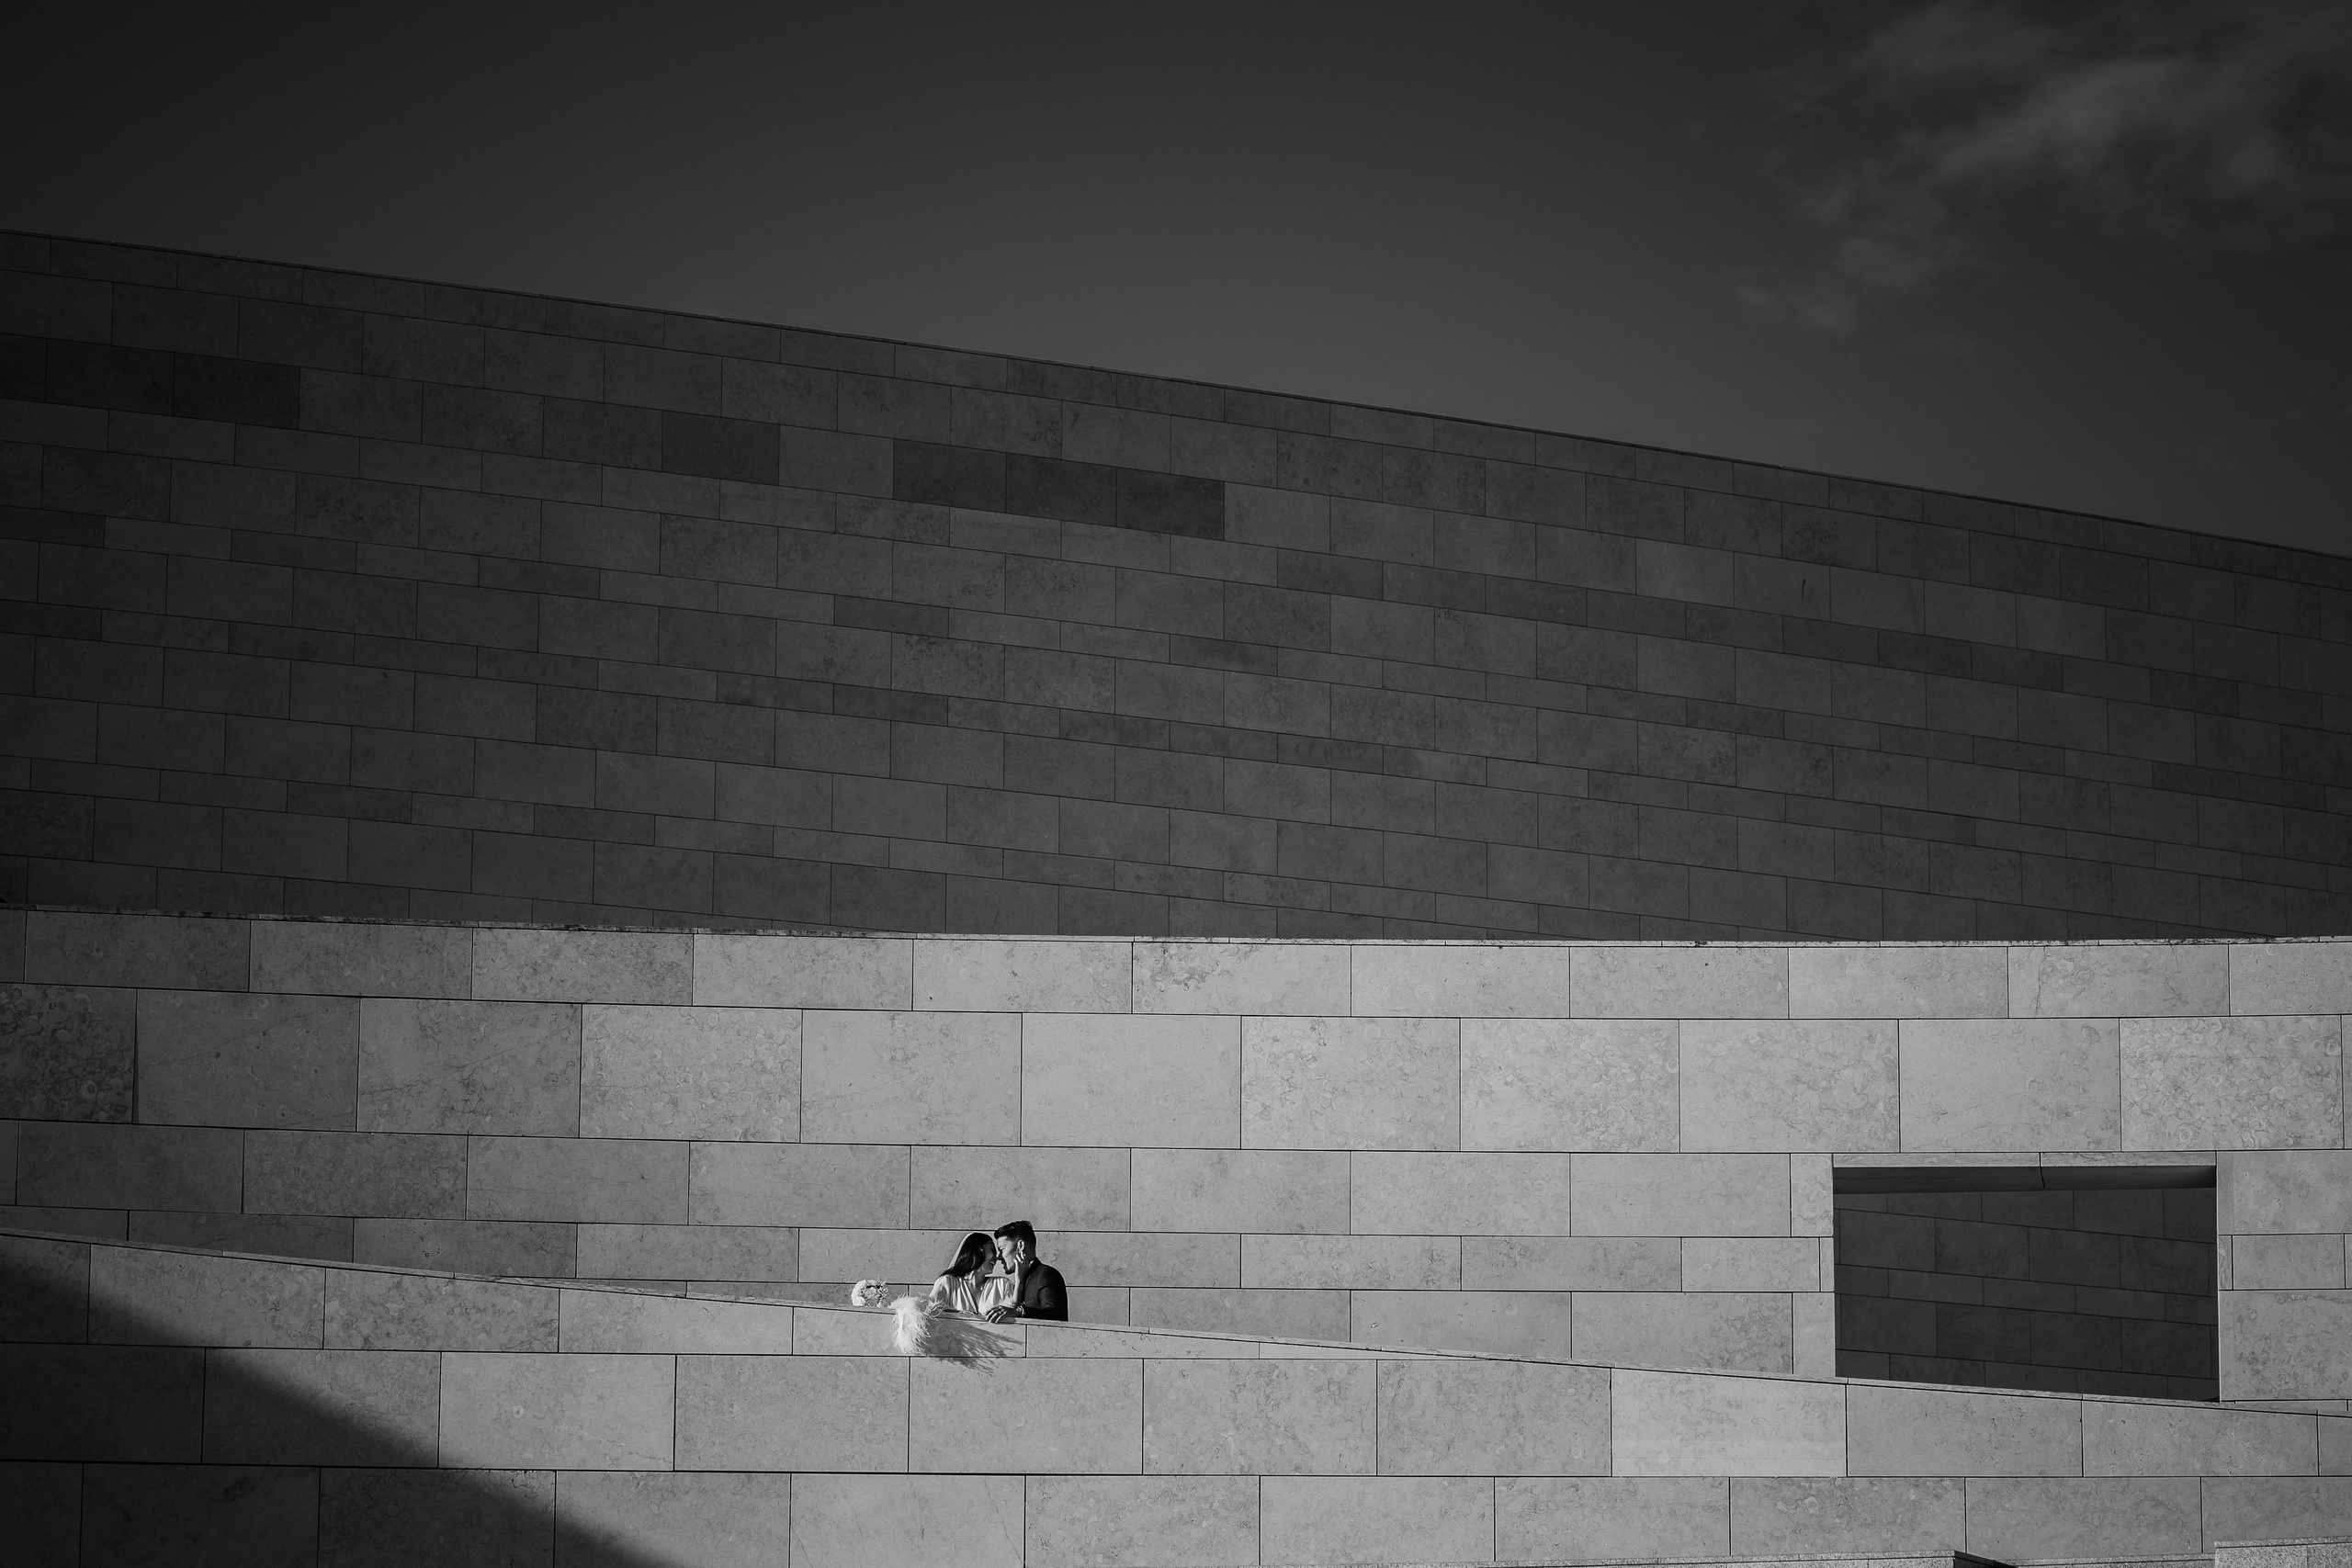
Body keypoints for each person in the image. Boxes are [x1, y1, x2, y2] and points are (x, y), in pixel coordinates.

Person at [981, 1220, 1068, 1323]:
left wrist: (1019, 1311)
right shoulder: (1018, 1280)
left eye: (1002, 1250)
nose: (999, 1257)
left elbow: (1057, 1315)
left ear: (1020, 1246)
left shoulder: (1046, 1274)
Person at [927, 1231, 998, 1315]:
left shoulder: (1001, 1285)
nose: (996, 1258)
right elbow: (930, 1310)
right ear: (978, 1250)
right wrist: (958, 1314)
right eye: (992, 1250)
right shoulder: (948, 1283)